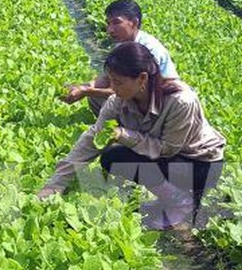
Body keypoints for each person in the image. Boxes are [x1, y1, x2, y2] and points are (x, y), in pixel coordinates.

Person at [39, 42, 226, 230]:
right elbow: (92, 139)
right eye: (111, 81)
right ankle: (172, 196)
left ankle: (181, 202)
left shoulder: (180, 101)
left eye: (119, 82)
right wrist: (54, 185)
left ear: (142, 78)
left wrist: (124, 134)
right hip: (168, 160)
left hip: (200, 165)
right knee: (112, 156)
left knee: (122, 151)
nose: (113, 88)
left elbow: (168, 149)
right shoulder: (117, 101)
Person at [61, 0, 179, 117]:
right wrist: (82, 87)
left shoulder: (147, 49)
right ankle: (117, 126)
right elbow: (106, 79)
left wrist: (86, 91)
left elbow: (130, 89)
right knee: (95, 97)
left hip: (161, 102)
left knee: (98, 96)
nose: (110, 30)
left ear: (134, 22)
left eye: (116, 22)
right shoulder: (122, 45)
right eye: (108, 23)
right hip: (137, 96)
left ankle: (129, 130)